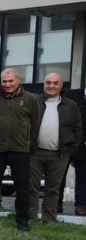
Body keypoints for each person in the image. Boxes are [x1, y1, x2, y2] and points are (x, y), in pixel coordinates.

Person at [0, 68, 40, 231]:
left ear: (18, 80)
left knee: (22, 188)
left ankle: (22, 221)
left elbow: (35, 123)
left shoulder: (30, 99)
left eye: (11, 81)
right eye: (4, 81)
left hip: (20, 150)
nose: (7, 84)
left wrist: (27, 141)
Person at [28, 72, 82, 224]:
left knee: (53, 189)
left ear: (61, 85)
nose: (51, 86)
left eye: (55, 83)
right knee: (31, 187)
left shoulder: (70, 105)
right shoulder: (34, 101)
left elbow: (78, 128)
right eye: (48, 83)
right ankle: (30, 217)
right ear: (44, 84)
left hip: (59, 155)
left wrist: (71, 149)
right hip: (34, 153)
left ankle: (49, 219)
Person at [73, 88, 86, 216]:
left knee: (83, 177)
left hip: (83, 146)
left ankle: (81, 204)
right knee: (58, 177)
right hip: (66, 143)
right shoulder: (73, 95)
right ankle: (56, 203)